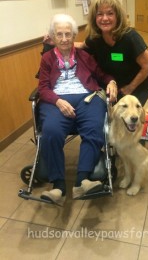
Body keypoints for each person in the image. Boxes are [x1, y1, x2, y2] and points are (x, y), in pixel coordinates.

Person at [38, 14, 117, 205]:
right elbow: (43, 88)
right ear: (53, 37)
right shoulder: (47, 59)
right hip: (57, 101)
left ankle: (82, 180)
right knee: (51, 131)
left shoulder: (84, 56)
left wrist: (112, 81)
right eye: (59, 35)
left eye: (68, 34)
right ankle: (58, 186)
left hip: (87, 98)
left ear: (74, 36)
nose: (64, 39)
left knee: (95, 126)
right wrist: (57, 101)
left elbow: (101, 75)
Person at [75, 0, 148, 106]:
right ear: (94, 18)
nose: (105, 18)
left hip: (142, 78)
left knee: (128, 111)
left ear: (117, 16)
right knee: (113, 107)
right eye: (100, 14)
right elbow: (81, 46)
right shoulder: (95, 38)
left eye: (110, 13)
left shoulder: (130, 37)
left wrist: (130, 88)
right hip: (119, 77)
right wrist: (55, 41)